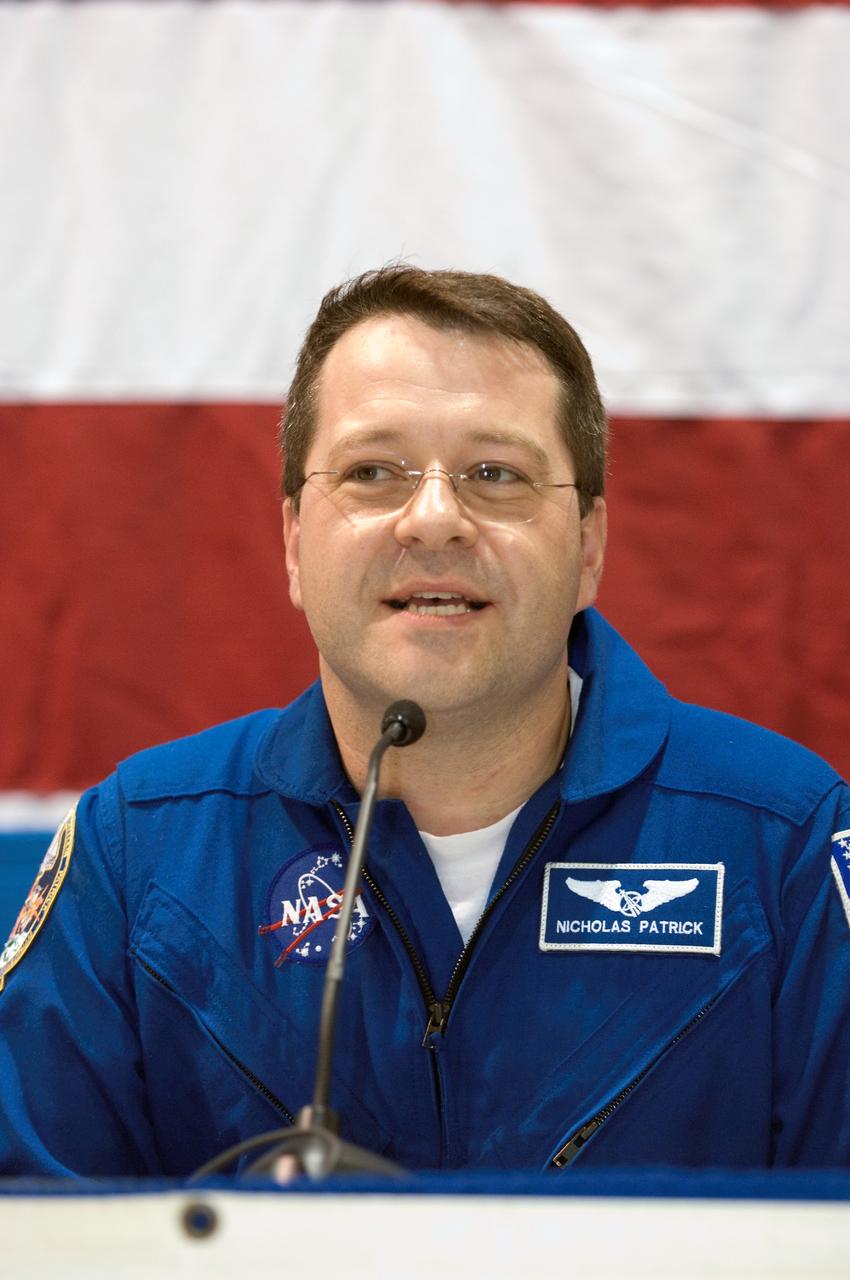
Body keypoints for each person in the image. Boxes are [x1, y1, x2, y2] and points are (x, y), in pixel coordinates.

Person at [1, 266, 848, 1177]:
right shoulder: (143, 854)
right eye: (373, 472)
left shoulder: (783, 847)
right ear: (293, 542)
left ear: (589, 546)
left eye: (496, 473)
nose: (436, 518)